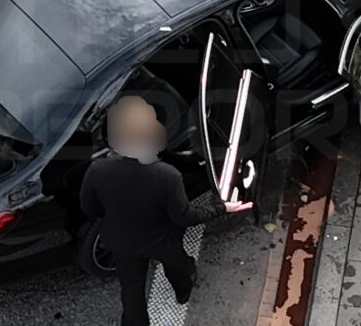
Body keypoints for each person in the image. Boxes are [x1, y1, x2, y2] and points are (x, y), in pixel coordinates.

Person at [80, 96, 253, 326]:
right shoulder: (167, 176)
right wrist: (222, 207)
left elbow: (89, 207)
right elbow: (184, 217)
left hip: (122, 242)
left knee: (131, 294)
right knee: (180, 268)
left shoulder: (98, 169)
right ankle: (182, 295)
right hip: (163, 240)